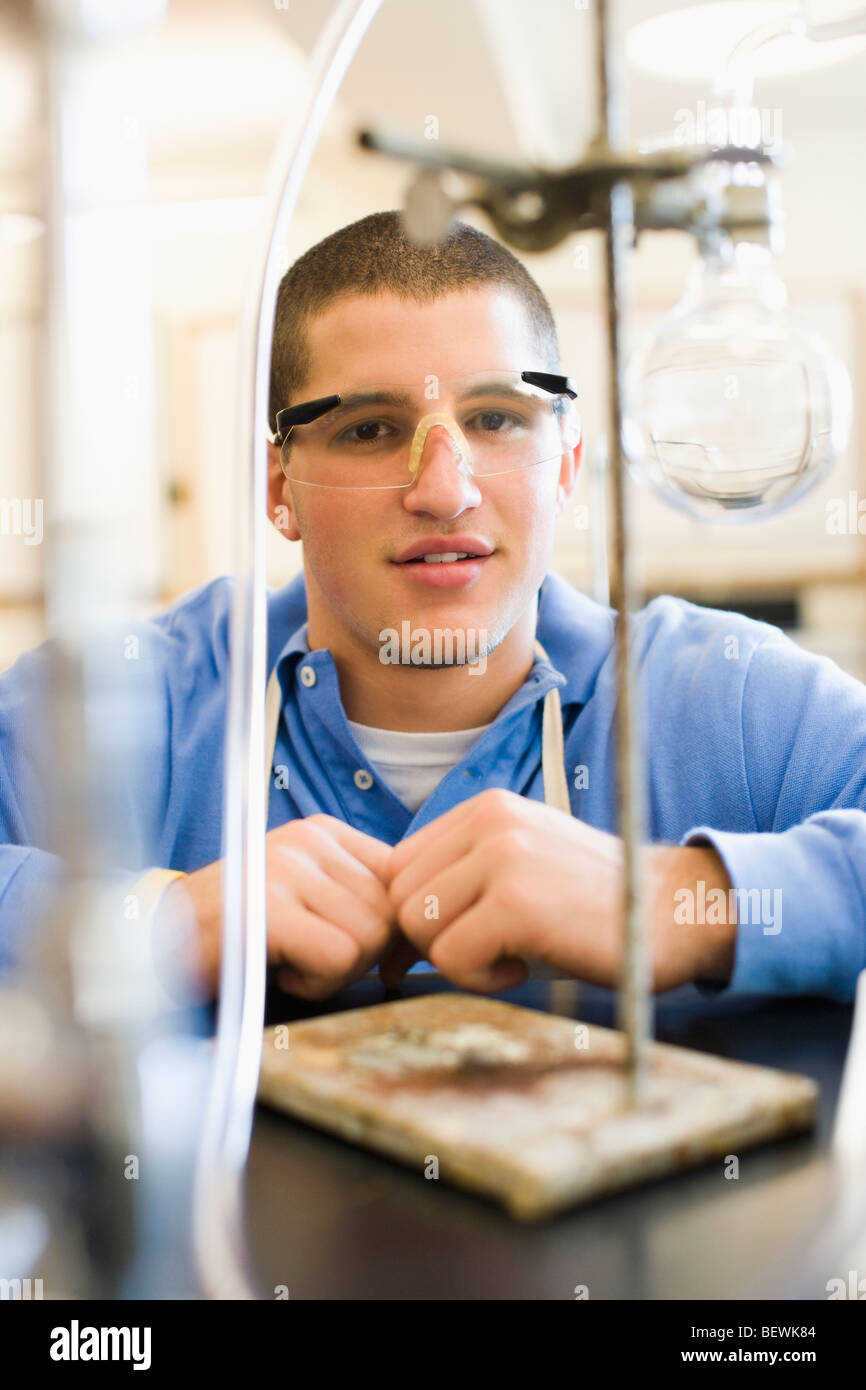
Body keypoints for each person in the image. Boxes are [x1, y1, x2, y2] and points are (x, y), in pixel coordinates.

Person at [1, 211, 865, 1006]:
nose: (444, 491)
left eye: (495, 418)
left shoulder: (729, 702)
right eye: (370, 429)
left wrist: (686, 902)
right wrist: (154, 925)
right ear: (281, 490)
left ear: (565, 467)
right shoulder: (125, 701)